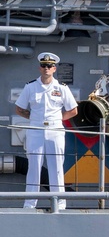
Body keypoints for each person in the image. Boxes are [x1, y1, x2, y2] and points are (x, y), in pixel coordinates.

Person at [14, 52, 78, 210]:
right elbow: (19, 109)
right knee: (34, 167)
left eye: (49, 66)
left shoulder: (61, 88)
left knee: (56, 167)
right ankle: (29, 203)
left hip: (55, 130)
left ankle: (60, 203)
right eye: (44, 65)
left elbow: (73, 110)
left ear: (54, 68)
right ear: (39, 68)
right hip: (35, 129)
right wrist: (32, 118)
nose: (46, 68)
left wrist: (58, 119)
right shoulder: (30, 87)